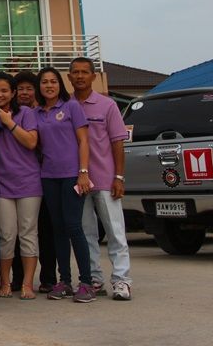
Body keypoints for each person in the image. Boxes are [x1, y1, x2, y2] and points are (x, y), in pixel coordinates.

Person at [69, 58, 133, 301]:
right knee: (86, 233)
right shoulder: (66, 105)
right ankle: (94, 279)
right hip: (77, 181)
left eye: (84, 72)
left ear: (93, 76)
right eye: (75, 72)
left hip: (105, 179)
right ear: (69, 76)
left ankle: (121, 280)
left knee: (115, 231)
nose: (80, 76)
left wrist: (119, 177)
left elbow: (118, 142)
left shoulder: (107, 105)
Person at [31, 66, 94, 303]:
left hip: (72, 175)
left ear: (60, 84)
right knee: (57, 229)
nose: (49, 85)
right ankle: (64, 281)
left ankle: (86, 283)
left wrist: (83, 172)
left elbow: (84, 141)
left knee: (73, 226)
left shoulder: (71, 107)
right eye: (44, 82)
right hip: (48, 176)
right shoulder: (36, 113)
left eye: (53, 81)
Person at [0, 72, 40, 300]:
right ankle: (5, 282)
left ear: (13, 93)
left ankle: (28, 284)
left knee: (28, 233)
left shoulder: (26, 113)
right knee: (6, 235)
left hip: (29, 181)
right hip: (1, 183)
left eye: (4, 90)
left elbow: (31, 142)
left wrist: (9, 123)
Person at [15, 69, 55, 293]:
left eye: (29, 88)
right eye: (20, 88)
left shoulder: (43, 113)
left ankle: (49, 277)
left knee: (45, 230)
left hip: (46, 176)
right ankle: (18, 278)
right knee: (18, 232)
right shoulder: (10, 114)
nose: (24, 92)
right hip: (21, 181)